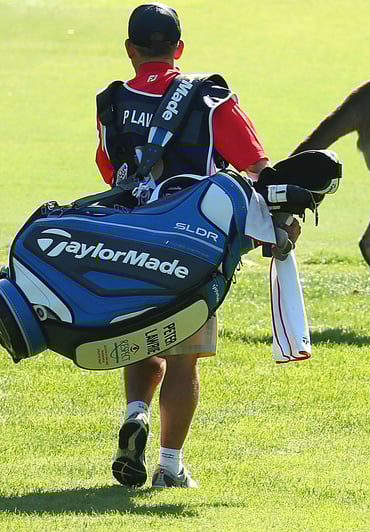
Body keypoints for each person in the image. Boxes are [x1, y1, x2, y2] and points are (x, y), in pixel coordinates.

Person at [92, 2, 297, 489]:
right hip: (192, 245)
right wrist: (283, 219)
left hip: (130, 236)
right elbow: (256, 166)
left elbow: (108, 169)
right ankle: (169, 466)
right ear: (179, 49)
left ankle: (136, 412)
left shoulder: (111, 101)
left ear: (130, 49)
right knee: (184, 358)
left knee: (142, 336)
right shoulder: (210, 99)